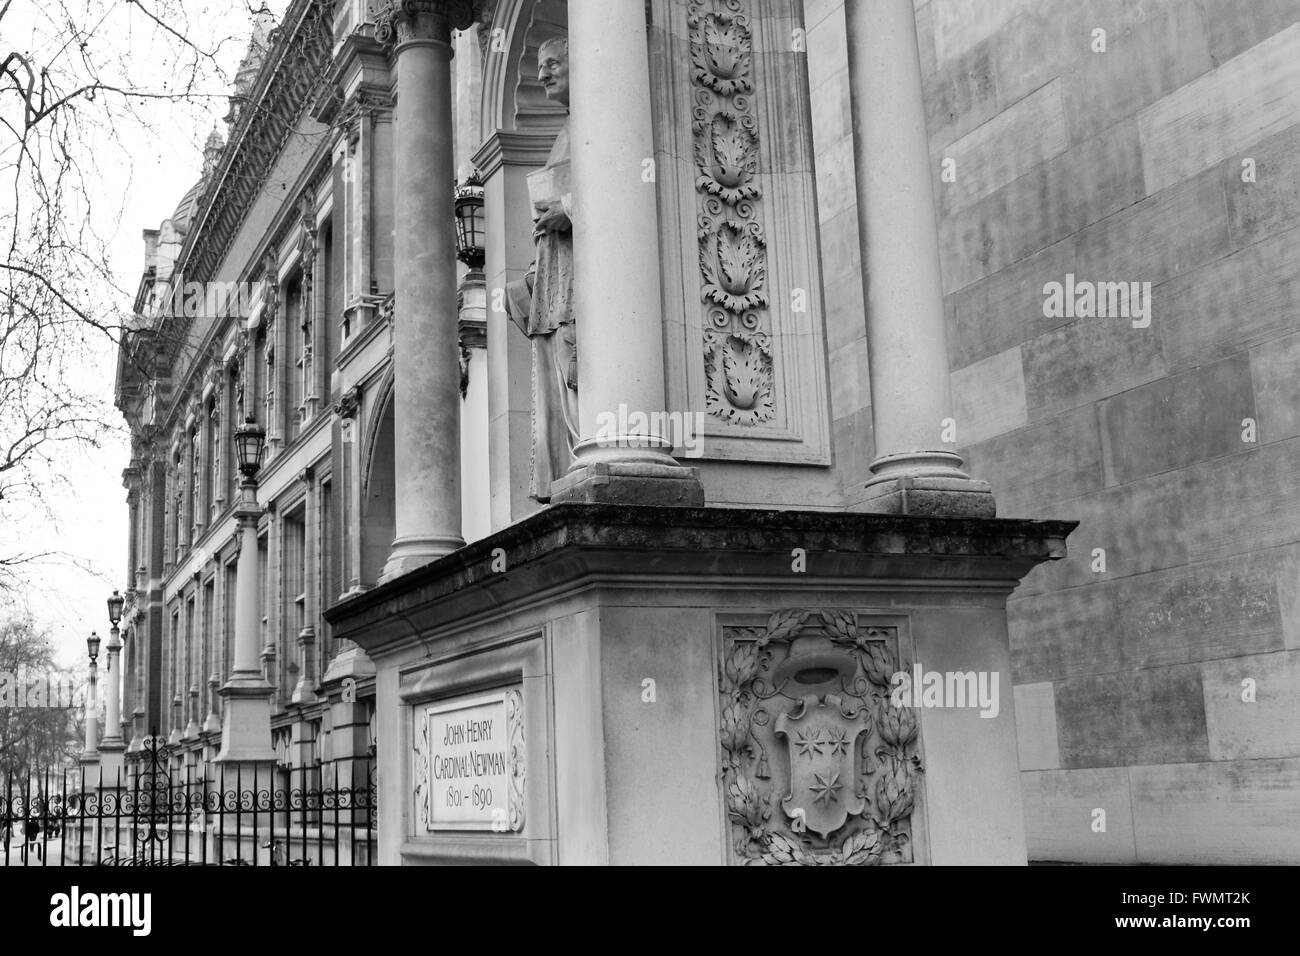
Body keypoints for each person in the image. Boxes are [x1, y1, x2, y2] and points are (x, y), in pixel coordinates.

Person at [505, 36, 577, 502]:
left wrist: (568, 210)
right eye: (539, 67)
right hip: (555, 279)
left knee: (576, 371)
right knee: (561, 369)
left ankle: (586, 455)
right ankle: (571, 466)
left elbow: (628, 184)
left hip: (578, 283)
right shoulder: (566, 131)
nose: (542, 75)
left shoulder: (601, 113)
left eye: (552, 64)